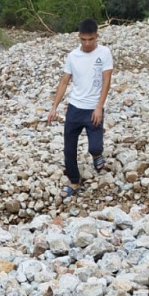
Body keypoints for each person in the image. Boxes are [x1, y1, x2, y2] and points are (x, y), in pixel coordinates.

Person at [47, 18, 114, 199]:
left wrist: (99, 107)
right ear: (79, 37)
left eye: (91, 39)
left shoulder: (104, 53)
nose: (87, 43)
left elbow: (107, 80)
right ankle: (74, 182)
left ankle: (96, 155)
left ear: (96, 37)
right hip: (75, 108)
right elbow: (64, 82)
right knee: (69, 149)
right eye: (83, 39)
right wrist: (54, 107)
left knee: (95, 147)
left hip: (93, 108)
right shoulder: (72, 56)